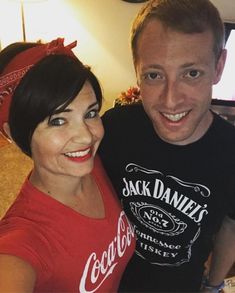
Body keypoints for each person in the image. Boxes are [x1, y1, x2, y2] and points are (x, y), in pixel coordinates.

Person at [98, 0, 235, 292]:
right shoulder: (114, 129)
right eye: (154, 75)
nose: (171, 100)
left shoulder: (231, 153)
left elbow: (231, 225)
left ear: (219, 66)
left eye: (192, 73)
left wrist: (212, 285)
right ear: (137, 70)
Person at [0, 38, 136, 292]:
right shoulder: (22, 241)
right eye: (58, 121)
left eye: (90, 113)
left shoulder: (92, 164)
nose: (86, 137)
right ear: (15, 134)